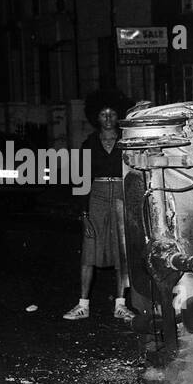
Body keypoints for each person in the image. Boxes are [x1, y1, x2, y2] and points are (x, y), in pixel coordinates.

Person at [63, 92, 135, 320]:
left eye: (112, 113)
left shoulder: (127, 142)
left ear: (118, 116)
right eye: (103, 114)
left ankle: (120, 304)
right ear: (96, 117)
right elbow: (80, 180)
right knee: (89, 252)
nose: (108, 118)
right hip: (97, 198)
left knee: (120, 254)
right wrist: (83, 213)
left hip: (121, 197)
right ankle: (82, 305)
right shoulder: (88, 144)